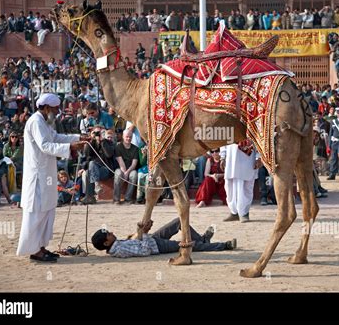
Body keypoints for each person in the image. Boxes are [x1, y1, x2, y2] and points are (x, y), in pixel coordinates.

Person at [16, 93, 85, 262]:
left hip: (46, 173)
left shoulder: (45, 122)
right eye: (55, 109)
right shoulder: (36, 122)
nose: (57, 112)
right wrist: (70, 147)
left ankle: (41, 247)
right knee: (37, 213)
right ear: (47, 108)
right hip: (38, 176)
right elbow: (46, 146)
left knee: (47, 211)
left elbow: (55, 138)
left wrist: (78, 138)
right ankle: (34, 251)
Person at [91, 218, 237, 257]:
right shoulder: (119, 251)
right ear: (106, 242)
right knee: (189, 245)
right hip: (157, 247)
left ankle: (204, 239)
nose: (111, 233)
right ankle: (223, 245)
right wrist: (145, 233)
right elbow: (144, 251)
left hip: (152, 239)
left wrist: (142, 231)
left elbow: (136, 241)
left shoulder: (116, 245)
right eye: (108, 234)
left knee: (178, 222)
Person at [221, 140, 261, 223]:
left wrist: (258, 157)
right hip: (231, 158)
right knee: (229, 185)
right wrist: (223, 156)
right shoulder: (230, 126)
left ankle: (244, 213)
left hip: (248, 158)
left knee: (246, 185)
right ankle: (234, 212)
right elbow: (224, 138)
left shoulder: (255, 126)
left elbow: (259, 138)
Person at [82, 126, 115, 204]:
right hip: (94, 170)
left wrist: (102, 141)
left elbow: (109, 155)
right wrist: (91, 140)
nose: (97, 134)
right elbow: (87, 154)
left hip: (106, 170)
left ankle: (93, 190)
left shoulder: (108, 142)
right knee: (88, 172)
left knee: (91, 165)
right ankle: (90, 197)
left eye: (99, 132)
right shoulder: (91, 143)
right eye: (95, 132)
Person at [113, 130, 138, 204]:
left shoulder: (135, 148)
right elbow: (120, 162)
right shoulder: (118, 147)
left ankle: (128, 198)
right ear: (123, 137)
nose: (128, 138)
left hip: (130, 169)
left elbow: (134, 164)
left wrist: (127, 172)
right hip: (121, 168)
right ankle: (116, 198)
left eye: (130, 137)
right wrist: (124, 172)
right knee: (118, 174)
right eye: (127, 137)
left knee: (134, 175)